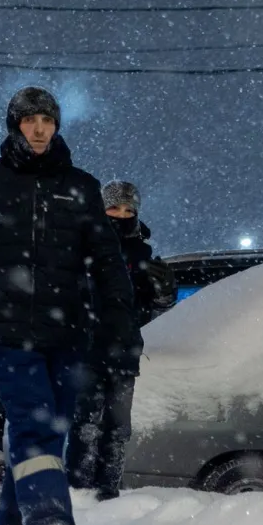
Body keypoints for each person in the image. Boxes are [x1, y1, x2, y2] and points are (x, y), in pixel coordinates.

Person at [0, 88, 133, 525]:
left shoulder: (81, 187)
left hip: (68, 333)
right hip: (9, 333)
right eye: (30, 121)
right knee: (33, 426)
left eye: (47, 119)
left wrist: (119, 315)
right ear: (15, 126)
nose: (40, 128)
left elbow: (106, 258)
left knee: (51, 432)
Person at [67, 180, 165, 500]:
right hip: (86, 353)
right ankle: (79, 494)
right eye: (114, 207)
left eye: (128, 210)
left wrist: (161, 295)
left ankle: (108, 493)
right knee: (85, 427)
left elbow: (147, 309)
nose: (121, 215)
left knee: (118, 430)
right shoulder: (81, 248)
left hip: (123, 353)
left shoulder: (141, 254)